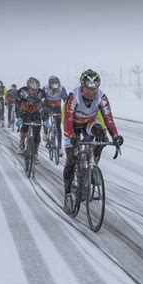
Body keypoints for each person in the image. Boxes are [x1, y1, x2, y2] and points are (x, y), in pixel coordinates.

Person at [63, 69, 124, 202]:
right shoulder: (74, 97)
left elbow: (108, 119)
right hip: (72, 124)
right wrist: (72, 136)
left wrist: (115, 136)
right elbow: (67, 120)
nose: (91, 93)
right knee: (71, 160)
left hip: (88, 122)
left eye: (94, 89)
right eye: (88, 89)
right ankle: (67, 195)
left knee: (102, 135)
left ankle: (92, 166)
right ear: (82, 87)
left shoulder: (102, 98)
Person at [15, 77, 45, 164]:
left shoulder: (42, 94)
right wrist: (18, 117)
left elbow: (45, 107)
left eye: (36, 89)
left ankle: (35, 153)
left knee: (37, 133)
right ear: (28, 88)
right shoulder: (22, 92)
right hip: (25, 112)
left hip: (36, 113)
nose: (34, 92)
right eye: (32, 89)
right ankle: (21, 144)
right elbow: (17, 105)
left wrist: (46, 119)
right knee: (25, 127)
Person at [41, 75, 68, 155]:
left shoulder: (61, 89)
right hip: (47, 105)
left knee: (58, 127)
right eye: (53, 87)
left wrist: (67, 111)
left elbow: (66, 100)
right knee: (45, 117)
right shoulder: (45, 88)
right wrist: (42, 108)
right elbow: (42, 99)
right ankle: (45, 132)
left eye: (56, 87)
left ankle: (59, 148)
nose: (55, 89)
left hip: (57, 106)